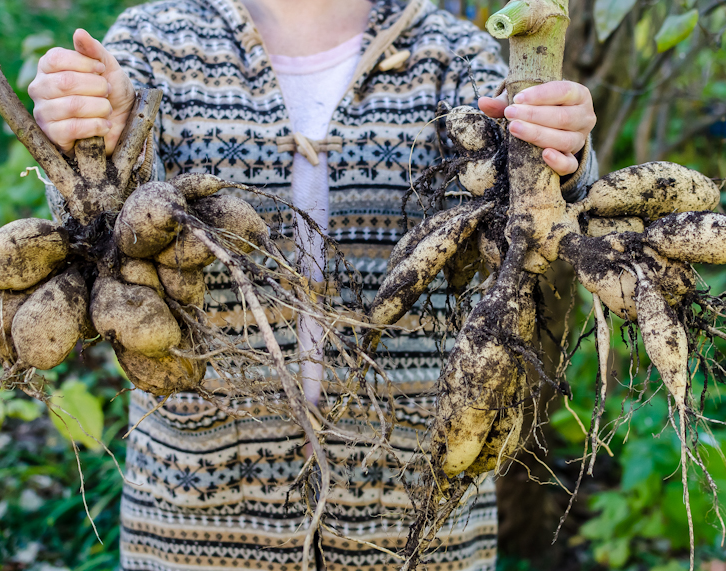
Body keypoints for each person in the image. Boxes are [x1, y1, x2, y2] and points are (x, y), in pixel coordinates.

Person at [29, 1, 596, 569]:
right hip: (195, 516)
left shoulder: (447, 50)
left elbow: (527, 213)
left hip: (416, 518)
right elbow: (102, 229)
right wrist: (93, 133)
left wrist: (559, 152)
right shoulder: (156, 40)